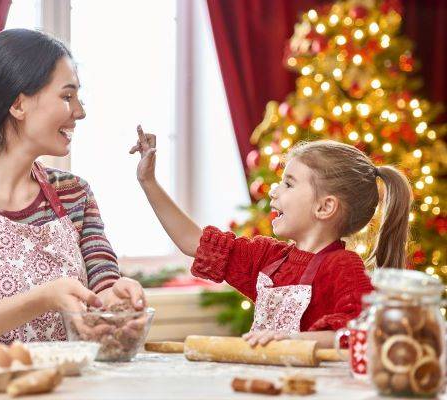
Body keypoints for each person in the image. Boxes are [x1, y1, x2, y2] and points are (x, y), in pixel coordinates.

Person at [0, 29, 145, 350]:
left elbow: (102, 288)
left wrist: (117, 298)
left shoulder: (75, 194)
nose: (80, 111)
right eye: (66, 96)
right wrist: (41, 300)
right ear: (18, 105)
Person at [130, 128, 412, 348]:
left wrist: (296, 342)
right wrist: (149, 182)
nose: (274, 192)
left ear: (325, 207)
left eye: (288, 184)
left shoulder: (343, 267)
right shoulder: (268, 258)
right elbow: (193, 241)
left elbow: (362, 330)